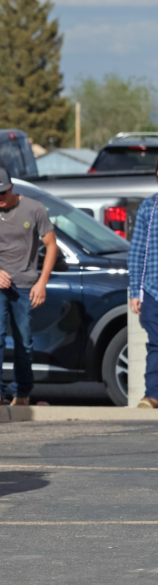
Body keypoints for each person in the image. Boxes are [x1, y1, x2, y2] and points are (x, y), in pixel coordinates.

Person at [0, 167, 57, 406]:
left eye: (2, 192)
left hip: (25, 282)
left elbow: (51, 246)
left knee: (24, 339)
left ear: (11, 187)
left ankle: (22, 391)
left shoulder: (34, 209)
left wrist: (42, 282)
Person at [129, 161, 158, 408]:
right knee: (156, 344)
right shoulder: (149, 206)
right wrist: (135, 291)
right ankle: (153, 395)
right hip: (152, 289)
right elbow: (137, 251)